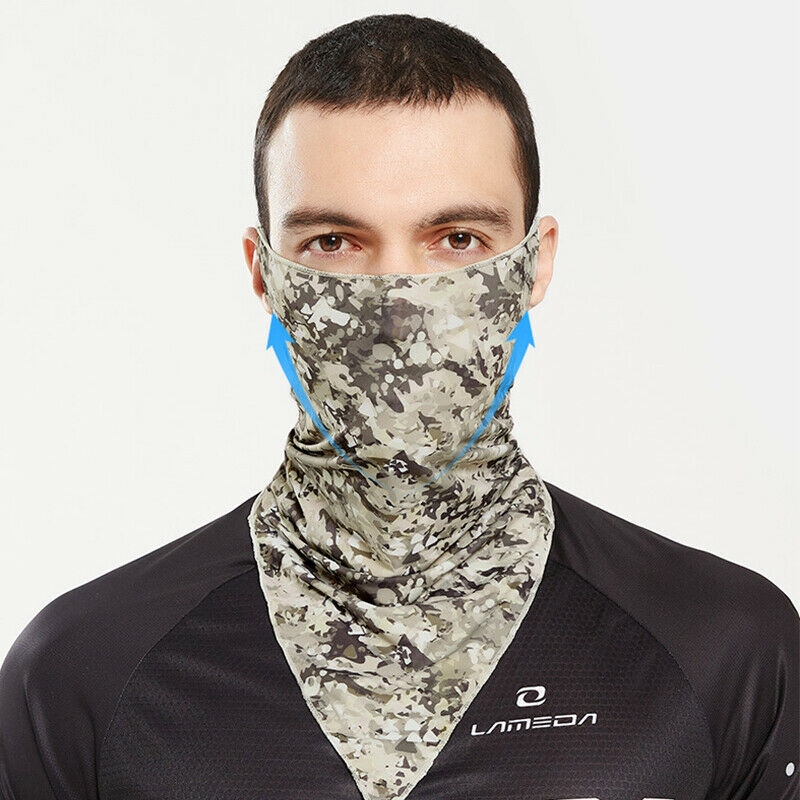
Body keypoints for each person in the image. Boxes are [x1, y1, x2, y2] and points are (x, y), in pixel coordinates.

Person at [1, 13, 797, 800]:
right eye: (333, 243)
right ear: (264, 273)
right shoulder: (83, 676)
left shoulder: (723, 650)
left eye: (458, 240)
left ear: (535, 264)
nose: (398, 311)